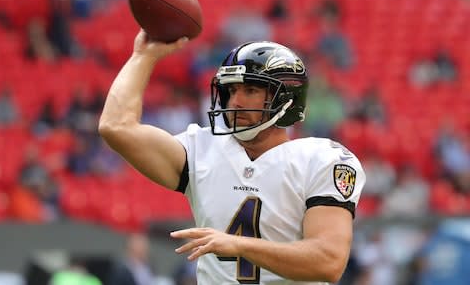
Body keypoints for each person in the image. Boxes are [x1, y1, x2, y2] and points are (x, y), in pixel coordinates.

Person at [98, 30, 366, 284]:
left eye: (249, 91)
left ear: (285, 99)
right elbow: (115, 128)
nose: (234, 102)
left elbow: (329, 261)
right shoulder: (201, 149)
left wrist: (238, 244)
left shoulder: (322, 160)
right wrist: (143, 57)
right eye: (231, 90)